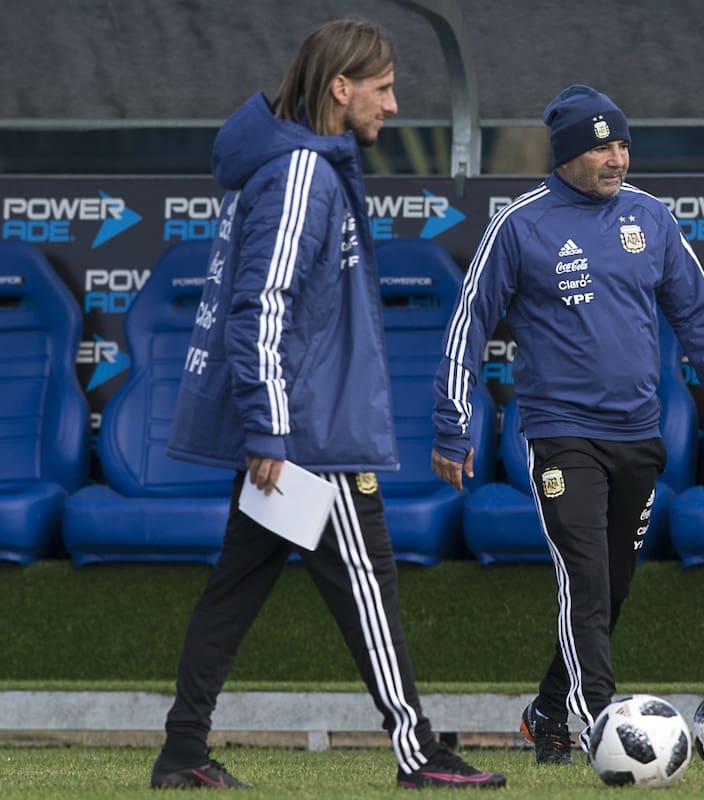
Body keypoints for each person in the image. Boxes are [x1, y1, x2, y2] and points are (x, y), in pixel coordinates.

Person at [150, 18, 505, 790]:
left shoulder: (294, 166)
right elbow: (263, 308)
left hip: (300, 424)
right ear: (340, 88)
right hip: (310, 434)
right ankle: (418, 752)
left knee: (234, 590)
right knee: (369, 589)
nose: (395, 105)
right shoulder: (303, 172)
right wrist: (272, 429)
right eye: (382, 89)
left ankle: (182, 751)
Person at [430, 84, 704, 764]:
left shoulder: (650, 218)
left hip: (638, 433)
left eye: (622, 144)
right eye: (601, 146)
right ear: (569, 154)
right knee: (584, 576)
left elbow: (695, 311)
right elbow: (467, 329)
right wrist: (452, 425)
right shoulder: (520, 225)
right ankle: (606, 728)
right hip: (559, 431)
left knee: (610, 586)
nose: (617, 158)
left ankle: (546, 712)